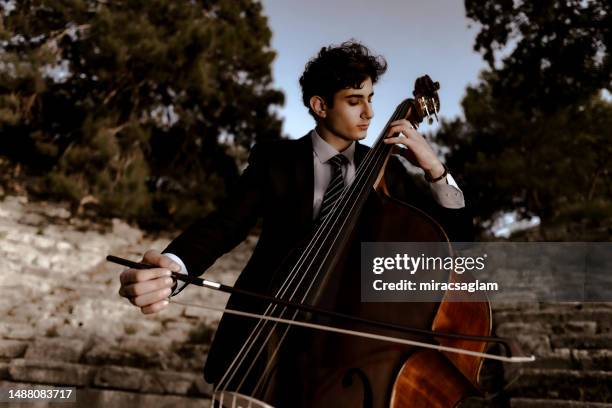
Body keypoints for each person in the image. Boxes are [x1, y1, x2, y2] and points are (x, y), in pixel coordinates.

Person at [118, 41, 472, 387]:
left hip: (346, 352)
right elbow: (225, 225)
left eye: (370, 99)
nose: (369, 113)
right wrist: (174, 267)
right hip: (262, 338)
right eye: (354, 101)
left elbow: (453, 244)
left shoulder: (388, 173)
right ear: (320, 105)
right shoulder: (275, 159)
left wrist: (434, 170)